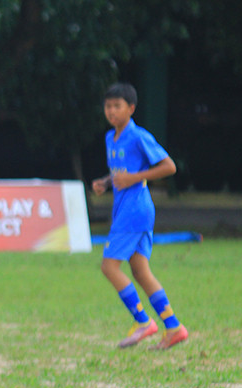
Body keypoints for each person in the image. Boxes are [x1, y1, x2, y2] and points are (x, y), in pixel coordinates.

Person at [92, 82, 187, 350]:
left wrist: (134, 178)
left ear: (131, 108)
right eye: (107, 106)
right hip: (126, 209)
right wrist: (105, 182)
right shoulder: (110, 138)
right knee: (140, 271)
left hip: (135, 210)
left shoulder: (138, 136)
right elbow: (120, 171)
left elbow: (169, 167)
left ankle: (143, 321)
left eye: (117, 106)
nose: (111, 111)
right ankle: (174, 327)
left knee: (109, 267)